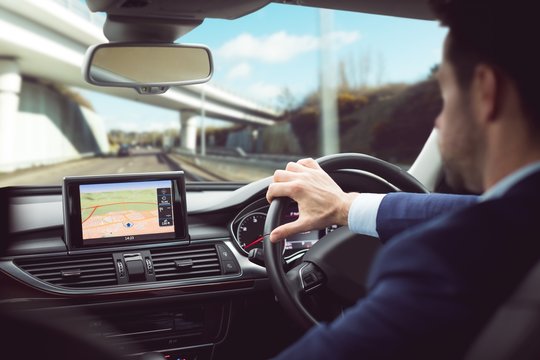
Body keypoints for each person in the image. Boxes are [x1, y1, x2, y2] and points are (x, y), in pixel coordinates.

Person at [266, 0, 540, 358]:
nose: (439, 123)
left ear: (486, 92)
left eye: (444, 97)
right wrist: (345, 206)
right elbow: (474, 211)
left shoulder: (449, 259)